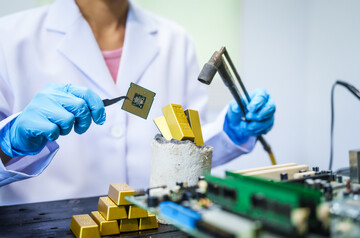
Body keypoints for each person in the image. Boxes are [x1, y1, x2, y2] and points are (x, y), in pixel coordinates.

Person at [0, 0, 275, 205]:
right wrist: (8, 141)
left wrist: (229, 132)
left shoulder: (175, 41)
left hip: (158, 224)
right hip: (43, 228)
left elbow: (188, 150)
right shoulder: (9, 37)